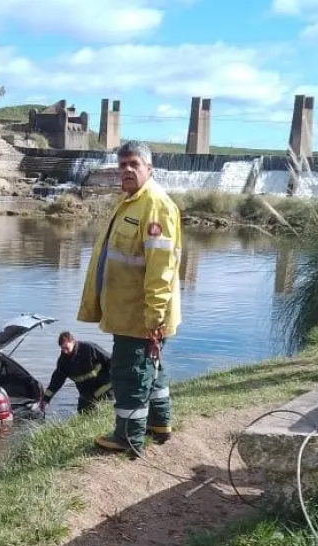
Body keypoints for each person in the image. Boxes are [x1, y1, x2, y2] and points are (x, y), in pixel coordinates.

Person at [76, 140, 182, 455]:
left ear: (148, 168)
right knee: (152, 369)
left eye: (133, 164)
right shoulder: (131, 202)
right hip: (129, 311)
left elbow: (161, 270)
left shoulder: (155, 206)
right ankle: (158, 424)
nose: (126, 170)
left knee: (129, 372)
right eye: (122, 165)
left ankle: (128, 437)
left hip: (141, 314)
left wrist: (154, 317)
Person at [41, 331, 113, 413]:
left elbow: (110, 360)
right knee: (82, 415)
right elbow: (55, 383)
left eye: (66, 348)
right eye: (62, 348)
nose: (65, 351)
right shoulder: (63, 362)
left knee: (105, 413)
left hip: (105, 389)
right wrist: (45, 400)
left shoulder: (89, 348)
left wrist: (116, 378)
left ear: (73, 342)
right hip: (86, 394)